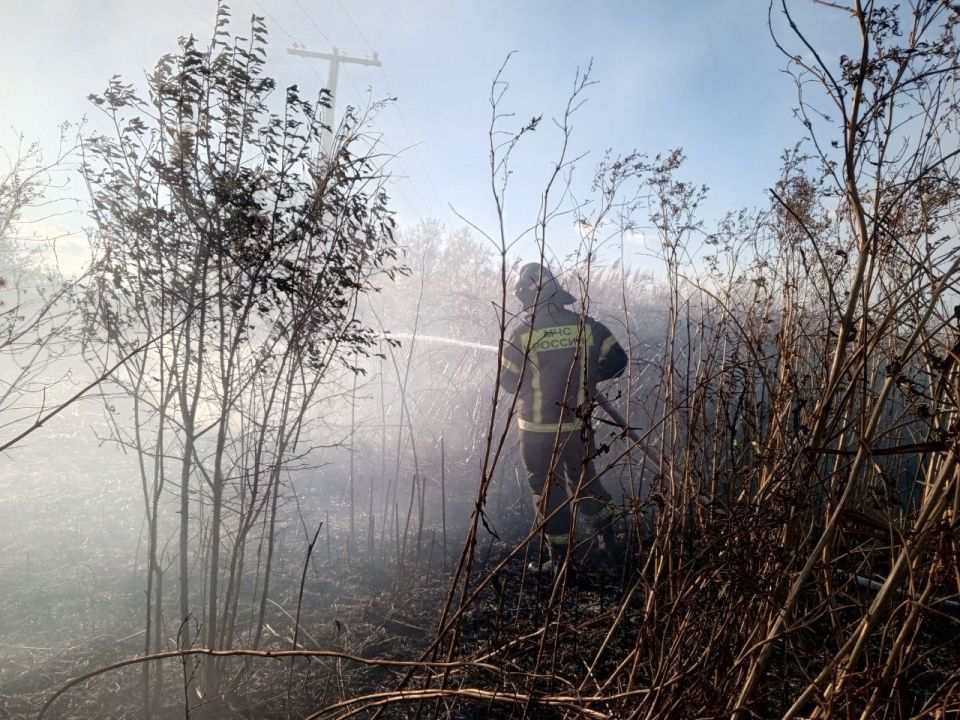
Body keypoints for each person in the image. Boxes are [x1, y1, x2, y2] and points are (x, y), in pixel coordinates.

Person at [499, 263, 628, 574]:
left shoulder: (523, 335)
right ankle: (609, 542)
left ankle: (560, 560)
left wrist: (536, 381)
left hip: (536, 429)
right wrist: (589, 377)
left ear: (528, 300)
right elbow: (618, 359)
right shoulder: (588, 327)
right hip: (577, 427)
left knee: (546, 487)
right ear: (559, 296)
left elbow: (506, 382)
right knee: (586, 481)